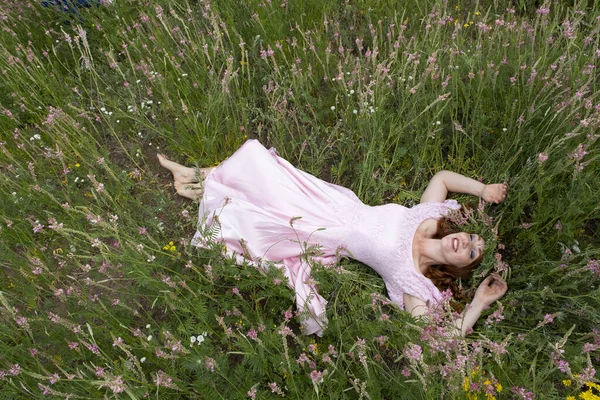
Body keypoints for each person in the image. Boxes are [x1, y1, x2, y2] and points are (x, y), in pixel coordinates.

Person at [158, 139, 508, 337]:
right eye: (472, 237)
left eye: (473, 253)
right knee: (259, 164)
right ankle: (193, 177)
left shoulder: (412, 279)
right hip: (335, 201)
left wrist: (479, 303)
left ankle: (196, 186)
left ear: (459, 267)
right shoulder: (428, 217)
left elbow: (436, 343)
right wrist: (483, 189)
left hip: (324, 232)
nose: (469, 243)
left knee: (256, 211)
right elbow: (443, 177)